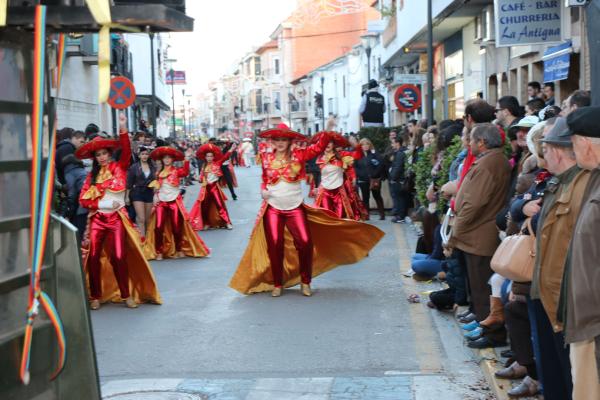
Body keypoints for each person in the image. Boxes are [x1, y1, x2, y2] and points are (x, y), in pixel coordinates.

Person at [229, 124, 384, 297]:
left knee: (304, 242)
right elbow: (265, 178)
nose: (280, 143)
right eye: (277, 140)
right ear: (273, 141)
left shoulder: (299, 155)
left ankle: (305, 281)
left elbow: (318, 147)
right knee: (275, 245)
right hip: (273, 208)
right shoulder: (265, 158)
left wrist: (328, 129)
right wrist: (263, 190)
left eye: (284, 140)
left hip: (295, 207)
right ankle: (278, 283)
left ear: (289, 142)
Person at [76, 113, 161, 310]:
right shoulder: (92, 177)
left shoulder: (120, 167)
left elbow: (124, 150)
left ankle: (126, 294)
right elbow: (83, 199)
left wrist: (123, 128)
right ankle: (95, 296)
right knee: (94, 257)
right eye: (98, 155)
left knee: (120, 256)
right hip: (97, 220)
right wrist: (100, 205)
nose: (102, 157)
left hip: (116, 220)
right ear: (95, 158)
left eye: (104, 153)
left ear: (109, 154)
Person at [447, 123, 511, 349]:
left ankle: (492, 335)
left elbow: (473, 203)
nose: (469, 143)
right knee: (479, 285)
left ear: (482, 142)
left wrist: (455, 232)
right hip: (478, 233)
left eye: (472, 140)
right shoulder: (492, 160)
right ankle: (487, 329)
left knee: (482, 287)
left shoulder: (488, 164)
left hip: (479, 235)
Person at [559, 106, 600, 400]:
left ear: (586, 143)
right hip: (587, 321)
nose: (572, 152)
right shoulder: (593, 177)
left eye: (572, 143)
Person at [144, 146, 210, 261]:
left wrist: (187, 159)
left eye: (169, 158)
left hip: (174, 202)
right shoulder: (158, 173)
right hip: (161, 203)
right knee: (158, 227)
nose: (167, 160)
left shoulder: (176, 171)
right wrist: (155, 195)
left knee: (177, 227)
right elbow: (156, 188)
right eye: (165, 158)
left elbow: (185, 172)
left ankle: (179, 249)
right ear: (162, 160)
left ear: (172, 160)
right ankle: (159, 251)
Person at [313, 131, 362, 219]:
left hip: (339, 191)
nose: (327, 144)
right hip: (324, 192)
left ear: (334, 144)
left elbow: (358, 155)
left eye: (330, 142)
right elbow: (316, 174)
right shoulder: (318, 158)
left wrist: (356, 145)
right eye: (325, 142)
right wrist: (316, 187)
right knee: (326, 217)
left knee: (340, 217)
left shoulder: (342, 155)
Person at [189, 143, 234, 231]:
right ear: (205, 157)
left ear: (213, 157)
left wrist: (231, 150)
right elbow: (201, 179)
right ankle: (206, 223)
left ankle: (227, 222)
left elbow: (225, 157)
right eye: (207, 156)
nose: (209, 158)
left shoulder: (217, 163)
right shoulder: (204, 166)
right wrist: (198, 178)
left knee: (220, 206)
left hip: (214, 188)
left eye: (211, 156)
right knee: (204, 207)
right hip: (205, 189)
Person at [126, 146, 156, 238]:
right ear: (139, 156)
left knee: (147, 219)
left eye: (146, 154)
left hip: (149, 193)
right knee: (141, 219)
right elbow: (129, 183)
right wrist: (127, 196)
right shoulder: (134, 167)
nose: (144, 156)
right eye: (142, 154)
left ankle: (147, 239)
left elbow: (155, 180)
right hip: (137, 193)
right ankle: (142, 240)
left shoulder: (152, 167)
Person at [355, 138, 386, 220]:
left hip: (374, 179)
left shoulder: (374, 153)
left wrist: (375, 174)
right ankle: (366, 215)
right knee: (365, 198)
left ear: (370, 145)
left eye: (367, 144)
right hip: (363, 180)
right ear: (360, 146)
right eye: (363, 144)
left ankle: (382, 214)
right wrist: (361, 175)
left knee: (377, 196)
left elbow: (381, 164)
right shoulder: (357, 155)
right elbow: (355, 168)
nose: (365, 146)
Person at [62, 153, 88, 243]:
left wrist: (68, 213)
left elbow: (72, 194)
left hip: (82, 207)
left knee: (79, 235)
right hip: (90, 202)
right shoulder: (81, 170)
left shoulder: (70, 172)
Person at [388, 137, 408, 223]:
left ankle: (400, 216)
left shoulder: (400, 154)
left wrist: (392, 177)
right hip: (399, 179)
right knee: (400, 198)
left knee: (399, 199)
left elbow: (398, 167)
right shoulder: (401, 152)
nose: (392, 145)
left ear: (397, 143)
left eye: (393, 143)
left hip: (398, 180)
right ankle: (400, 215)